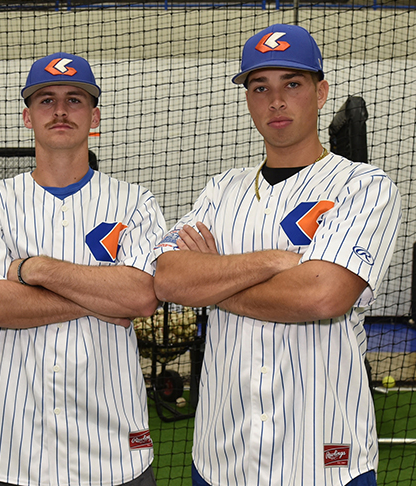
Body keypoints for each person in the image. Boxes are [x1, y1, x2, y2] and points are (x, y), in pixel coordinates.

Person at [153, 24, 402, 486]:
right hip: (221, 455)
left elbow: (323, 296)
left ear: (321, 91)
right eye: (260, 87)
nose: (276, 100)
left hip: (325, 455)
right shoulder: (220, 190)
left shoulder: (364, 187)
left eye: (292, 83)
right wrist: (273, 263)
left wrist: (212, 284)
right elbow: (167, 279)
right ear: (248, 99)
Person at [0, 52, 167, 486]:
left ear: (95, 116)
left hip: (114, 441)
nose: (60, 110)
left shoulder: (136, 202)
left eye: (75, 99)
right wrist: (101, 296)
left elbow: (141, 296)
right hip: (10, 440)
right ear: (28, 117)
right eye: (46, 100)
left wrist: (36, 269)